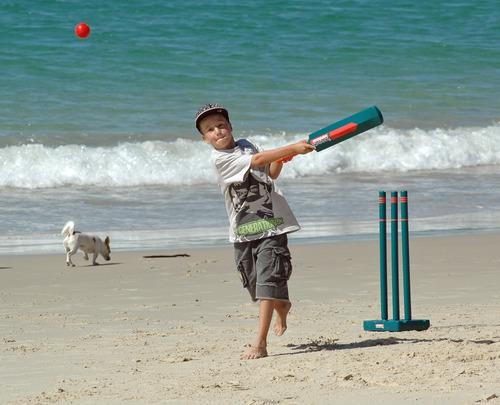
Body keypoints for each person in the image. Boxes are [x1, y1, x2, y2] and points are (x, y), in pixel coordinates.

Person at [195, 103, 315, 360]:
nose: (218, 130)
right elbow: (259, 160)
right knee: (255, 286)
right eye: (210, 129)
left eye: (221, 125)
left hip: (272, 226)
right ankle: (282, 305)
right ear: (204, 138)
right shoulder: (220, 159)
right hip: (243, 232)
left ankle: (260, 344)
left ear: (231, 126)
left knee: (267, 283)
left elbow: (269, 172)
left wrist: (282, 159)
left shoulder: (247, 145)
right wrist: (291, 147)